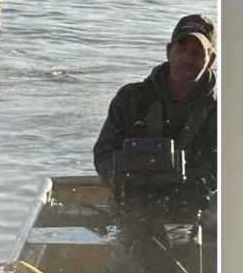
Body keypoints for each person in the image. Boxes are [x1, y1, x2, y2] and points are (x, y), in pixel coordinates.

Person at [92, 13, 218, 192]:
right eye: (181, 50)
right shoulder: (131, 98)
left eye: (197, 53)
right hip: (134, 203)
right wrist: (129, 171)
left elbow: (223, 170)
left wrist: (184, 182)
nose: (187, 59)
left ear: (211, 59)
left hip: (195, 207)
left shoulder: (220, 112)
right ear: (168, 51)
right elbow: (103, 155)